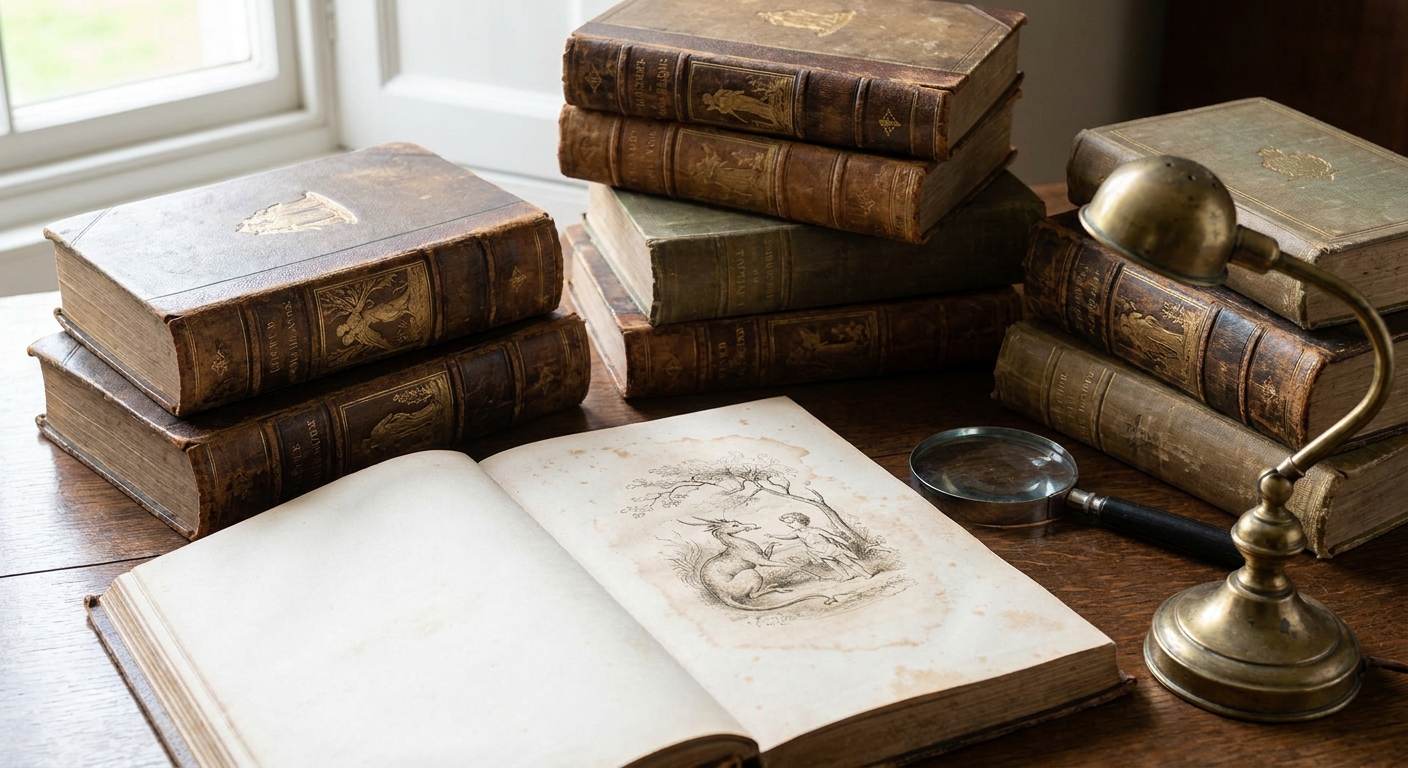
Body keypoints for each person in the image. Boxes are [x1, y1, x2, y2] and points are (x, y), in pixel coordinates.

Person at [768, 512, 871, 580]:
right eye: (788, 523)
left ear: (800, 521)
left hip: (830, 549)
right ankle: (846, 576)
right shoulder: (797, 533)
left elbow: (832, 536)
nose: (789, 525)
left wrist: (847, 542)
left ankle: (866, 574)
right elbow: (786, 537)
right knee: (833, 565)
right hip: (818, 552)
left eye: (791, 522)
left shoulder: (815, 530)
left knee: (848, 563)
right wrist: (773, 535)